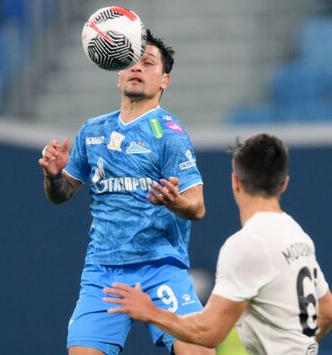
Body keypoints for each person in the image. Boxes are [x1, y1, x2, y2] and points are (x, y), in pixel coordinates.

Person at [38, 30, 214, 355]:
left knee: (199, 351)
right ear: (118, 74)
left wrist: (176, 202)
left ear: (164, 80)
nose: (137, 68)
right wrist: (52, 176)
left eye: (148, 63)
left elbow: (198, 207)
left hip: (159, 265)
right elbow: (61, 194)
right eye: (131, 62)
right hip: (104, 270)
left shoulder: (170, 136)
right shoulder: (93, 131)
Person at [104, 134, 332, 354]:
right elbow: (328, 312)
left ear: (235, 182)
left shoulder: (247, 244)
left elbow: (209, 332)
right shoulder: (296, 233)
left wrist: (151, 312)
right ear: (284, 183)